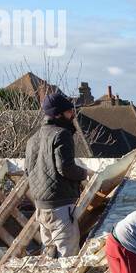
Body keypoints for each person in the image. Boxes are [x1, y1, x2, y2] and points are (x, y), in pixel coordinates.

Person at [24, 91, 87, 258]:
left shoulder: (32, 139)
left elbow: (27, 171)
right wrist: (84, 174)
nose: (72, 114)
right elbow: (65, 168)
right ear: (58, 114)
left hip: (41, 207)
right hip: (61, 208)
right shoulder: (62, 134)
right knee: (67, 258)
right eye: (68, 111)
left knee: (49, 257)